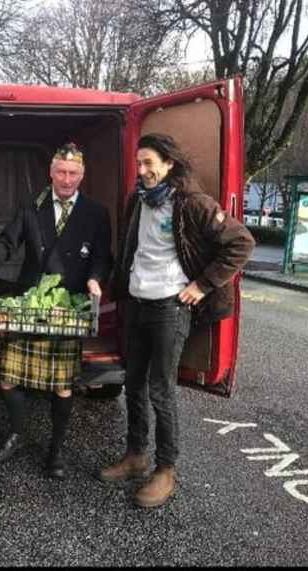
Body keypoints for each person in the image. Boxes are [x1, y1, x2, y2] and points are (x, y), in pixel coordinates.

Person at [99, 133, 255, 508]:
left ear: (168, 164)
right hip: (136, 303)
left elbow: (242, 242)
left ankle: (165, 469)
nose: (142, 170)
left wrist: (202, 285)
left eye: (149, 163)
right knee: (132, 383)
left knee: (160, 388)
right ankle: (137, 455)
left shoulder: (192, 202)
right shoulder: (137, 199)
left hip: (169, 308)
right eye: (139, 163)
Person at [0, 142, 113, 479]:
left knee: (62, 386)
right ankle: (18, 433)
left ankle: (57, 448)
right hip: (31, 303)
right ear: (50, 173)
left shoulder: (95, 212)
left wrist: (95, 281)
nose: (67, 179)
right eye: (61, 172)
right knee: (8, 379)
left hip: (67, 308)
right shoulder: (31, 206)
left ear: (82, 176)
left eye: (73, 173)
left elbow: (102, 256)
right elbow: (7, 242)